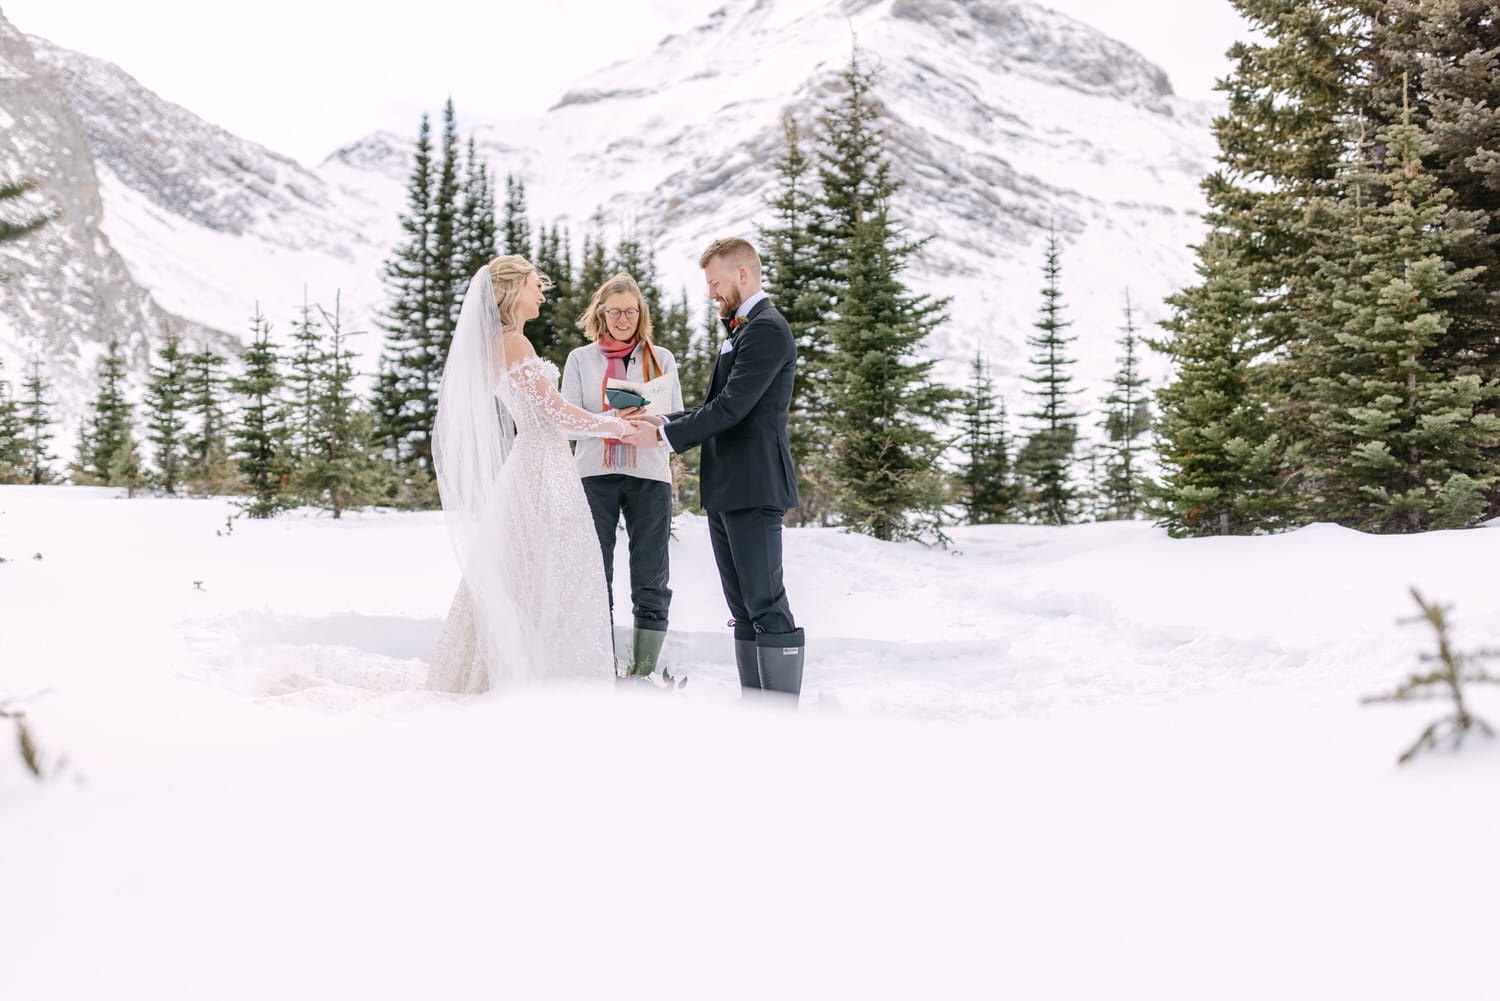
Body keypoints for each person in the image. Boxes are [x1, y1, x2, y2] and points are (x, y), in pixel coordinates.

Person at [426, 255, 644, 693]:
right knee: (544, 575)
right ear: (511, 291)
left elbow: (552, 416)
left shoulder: (501, 343)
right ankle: (537, 679)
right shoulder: (512, 343)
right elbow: (557, 415)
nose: (542, 293)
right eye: (534, 285)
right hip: (539, 466)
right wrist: (618, 426)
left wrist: (609, 421)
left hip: (534, 462)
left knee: (526, 573)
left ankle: (517, 673)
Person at [622, 237, 805, 699]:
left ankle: (779, 714)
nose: (712, 294)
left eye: (716, 282)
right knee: (743, 607)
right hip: (729, 487)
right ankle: (756, 704)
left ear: (743, 274)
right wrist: (662, 418)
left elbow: (732, 409)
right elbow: (715, 406)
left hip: (754, 484)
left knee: (765, 602)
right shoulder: (743, 328)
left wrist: (662, 437)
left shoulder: (766, 328)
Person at [561, 272, 685, 679]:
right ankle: (599, 665)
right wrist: (611, 418)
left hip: (648, 474)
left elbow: (676, 417)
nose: (623, 319)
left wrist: (648, 416)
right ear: (601, 313)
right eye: (615, 312)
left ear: (640, 314)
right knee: (596, 570)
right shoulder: (581, 359)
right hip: (595, 472)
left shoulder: (661, 357)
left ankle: (643, 670)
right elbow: (567, 422)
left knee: (652, 572)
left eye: (630, 311)